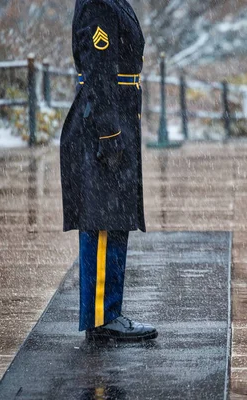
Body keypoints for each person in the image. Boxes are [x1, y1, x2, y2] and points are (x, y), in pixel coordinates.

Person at [60, 0, 156, 340]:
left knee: (114, 220)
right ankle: (101, 319)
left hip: (118, 114)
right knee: (102, 223)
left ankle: (109, 311)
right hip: (105, 121)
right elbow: (99, 70)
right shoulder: (99, 3)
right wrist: (109, 133)